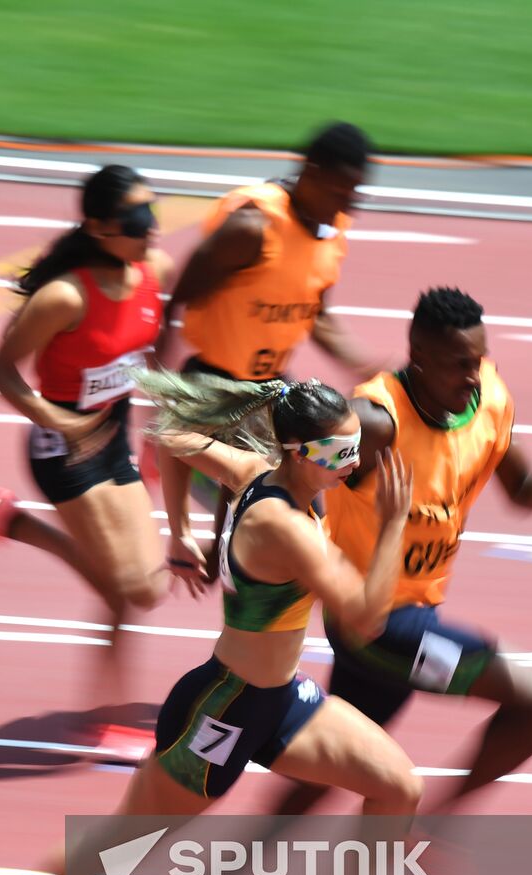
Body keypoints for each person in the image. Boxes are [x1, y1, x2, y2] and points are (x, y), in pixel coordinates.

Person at [0, 375, 440, 875]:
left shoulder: (258, 466)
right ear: (297, 451)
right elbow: (363, 617)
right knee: (123, 848)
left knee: (398, 785)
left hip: (279, 700)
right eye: (337, 455)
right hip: (222, 712)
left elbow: (169, 434)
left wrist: (179, 531)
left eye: (355, 450)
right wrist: (391, 527)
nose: (351, 465)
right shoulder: (283, 525)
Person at [275, 286, 532, 820]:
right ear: (418, 358)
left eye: (478, 360)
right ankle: (434, 828)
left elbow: (523, 491)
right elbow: (291, 463)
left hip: (417, 610)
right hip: (373, 619)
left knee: (340, 762)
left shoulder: (489, 401)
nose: (473, 376)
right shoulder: (377, 423)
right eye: (458, 365)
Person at [0, 164, 172, 750]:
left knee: (146, 589)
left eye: (154, 212)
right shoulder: (63, 296)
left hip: (116, 435)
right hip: (64, 448)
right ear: (99, 227)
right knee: (122, 590)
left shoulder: (154, 272)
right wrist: (59, 420)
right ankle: (109, 719)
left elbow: (150, 350)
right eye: (135, 220)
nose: (151, 229)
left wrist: (157, 421)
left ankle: (12, 522)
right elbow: (0, 369)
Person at [144, 121, 380, 575]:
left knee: (303, 528)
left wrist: (366, 362)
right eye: (342, 190)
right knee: (275, 531)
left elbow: (318, 314)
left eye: (357, 192)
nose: (350, 204)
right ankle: (193, 547)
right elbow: (178, 297)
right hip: (211, 388)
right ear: (312, 171)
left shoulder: (332, 232)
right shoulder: (252, 227)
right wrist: (160, 393)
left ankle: (218, 556)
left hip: (271, 395)